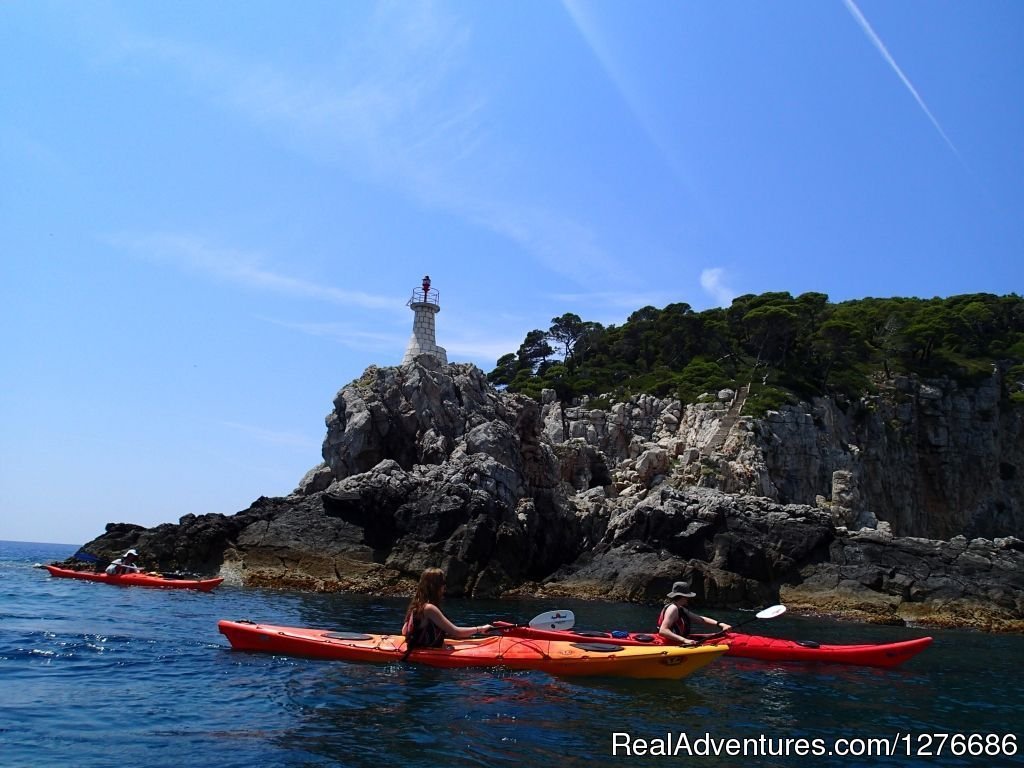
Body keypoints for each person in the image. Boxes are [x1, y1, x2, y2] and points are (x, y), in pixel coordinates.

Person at [402, 568, 493, 650]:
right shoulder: (429, 609)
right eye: (443, 583)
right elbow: (456, 632)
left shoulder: (416, 605)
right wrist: (481, 628)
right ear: (436, 586)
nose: (444, 587)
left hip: (423, 649)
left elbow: (404, 631)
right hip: (431, 656)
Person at [657, 580, 732, 646]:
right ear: (683, 597)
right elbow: (663, 631)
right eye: (688, 597)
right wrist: (684, 640)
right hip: (670, 643)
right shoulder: (673, 609)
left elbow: (701, 619)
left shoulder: (680, 608)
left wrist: (720, 624)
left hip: (677, 641)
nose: (689, 599)